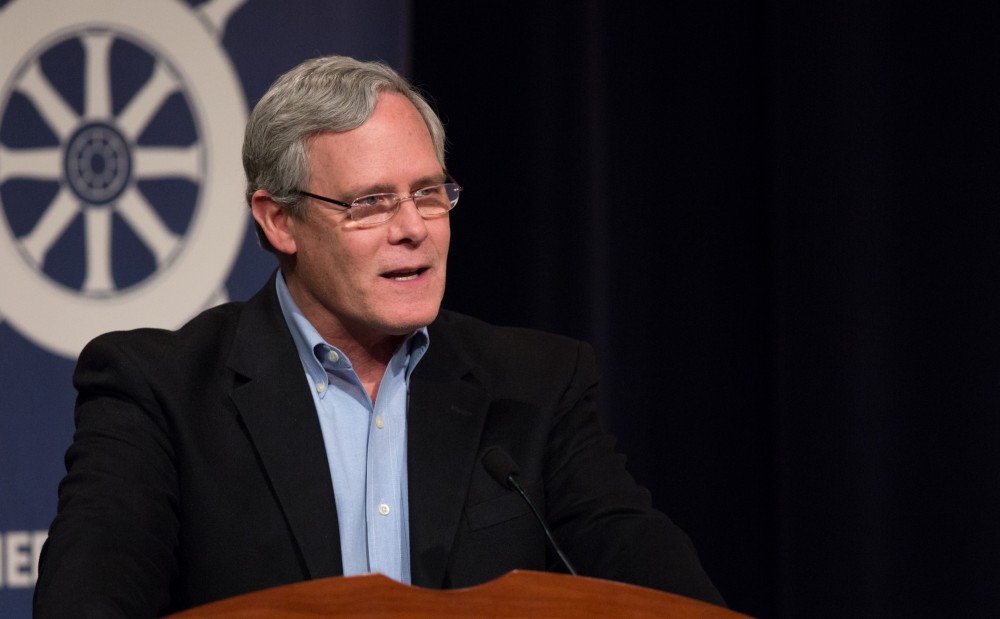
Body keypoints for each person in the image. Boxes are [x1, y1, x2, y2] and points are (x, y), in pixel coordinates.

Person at [34, 55, 724, 616]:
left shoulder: (536, 385)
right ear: (279, 222)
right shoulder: (160, 391)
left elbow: (660, 591)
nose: (414, 229)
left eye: (429, 192)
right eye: (371, 202)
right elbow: (88, 599)